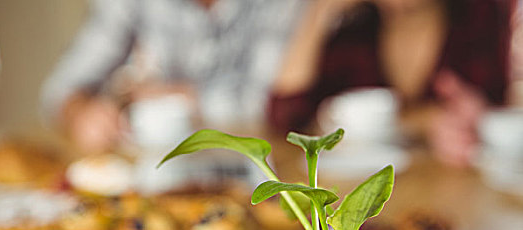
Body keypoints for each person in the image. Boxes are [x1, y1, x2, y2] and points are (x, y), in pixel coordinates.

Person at [268, 0, 514, 166]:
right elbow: (287, 118)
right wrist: (319, 11)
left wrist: (483, 120)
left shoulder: (479, 19)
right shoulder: (354, 34)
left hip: (461, 198)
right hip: (364, 204)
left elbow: (498, 113)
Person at [41, 0, 307, 153]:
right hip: (161, 168)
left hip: (262, 164)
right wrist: (80, 113)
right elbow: (61, 89)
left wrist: (183, 96)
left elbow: (271, 102)